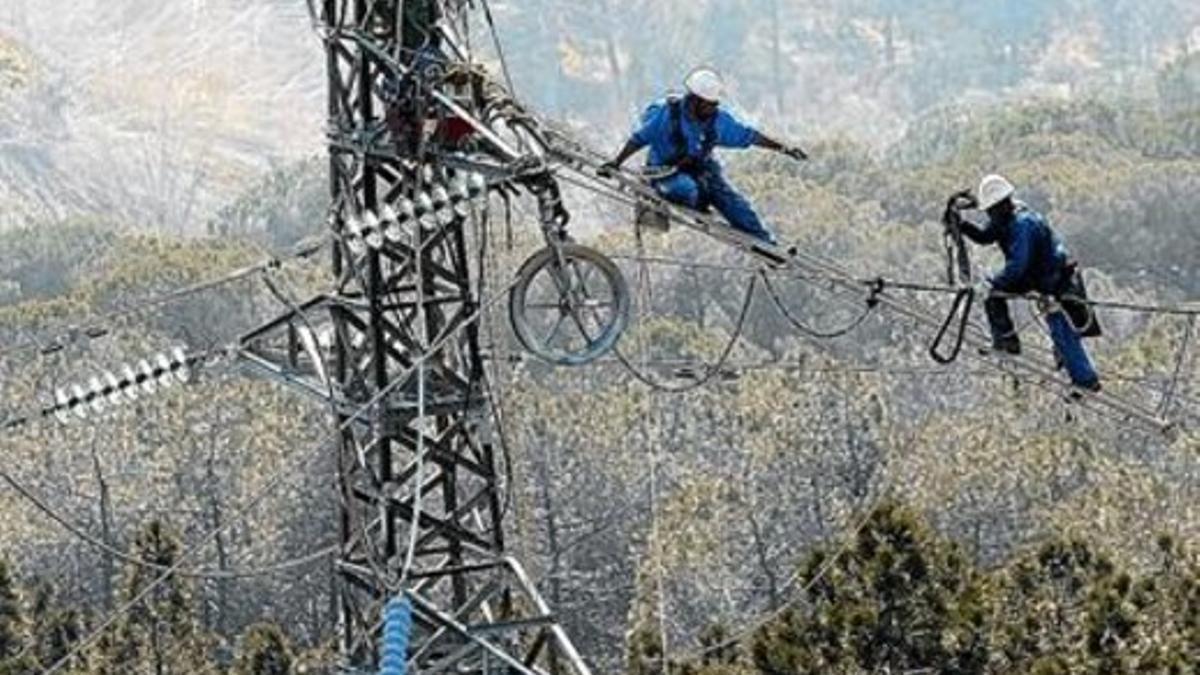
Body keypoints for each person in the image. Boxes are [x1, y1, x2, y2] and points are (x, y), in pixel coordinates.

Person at [598, 67, 808, 246]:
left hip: (701, 170)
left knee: (735, 203)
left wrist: (784, 148)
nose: (713, 108)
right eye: (709, 103)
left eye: (715, 103)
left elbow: (749, 136)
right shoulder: (667, 115)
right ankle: (699, 204)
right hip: (665, 174)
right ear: (694, 100)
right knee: (685, 188)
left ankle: (766, 244)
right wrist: (616, 163)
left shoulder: (717, 120)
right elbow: (638, 139)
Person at [960, 174, 1102, 392]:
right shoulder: (1006, 218)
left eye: (990, 210)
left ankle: (1086, 380)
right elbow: (986, 236)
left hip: (1054, 279)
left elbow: (1018, 265)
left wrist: (994, 282)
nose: (989, 215)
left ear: (1000, 205)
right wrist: (962, 225)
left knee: (1062, 329)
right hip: (1040, 276)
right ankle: (1007, 341)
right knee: (995, 297)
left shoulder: (1023, 224)